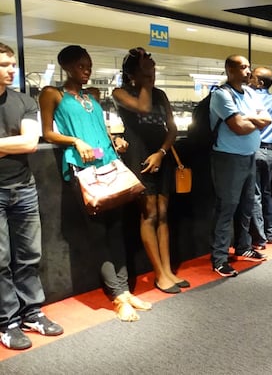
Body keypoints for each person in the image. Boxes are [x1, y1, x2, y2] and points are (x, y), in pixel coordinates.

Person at [39, 45, 151, 322]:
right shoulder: (52, 94)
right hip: (83, 172)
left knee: (117, 231)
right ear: (66, 66)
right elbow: (47, 133)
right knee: (100, 234)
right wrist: (75, 140)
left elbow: (98, 134)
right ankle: (117, 295)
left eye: (88, 65)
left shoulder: (92, 96)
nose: (86, 70)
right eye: (80, 66)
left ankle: (124, 291)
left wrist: (115, 142)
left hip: (107, 165)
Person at [0, 43, 63, 350]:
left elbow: (28, 143)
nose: (12, 69)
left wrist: (8, 144)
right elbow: (21, 140)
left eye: (12, 64)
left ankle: (31, 312)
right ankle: (7, 321)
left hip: (23, 187)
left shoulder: (23, 100)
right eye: (5, 64)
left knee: (28, 256)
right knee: (0, 259)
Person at [112, 47, 188, 294]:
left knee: (164, 214)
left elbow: (172, 128)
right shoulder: (120, 92)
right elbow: (143, 108)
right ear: (133, 73)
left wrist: (162, 152)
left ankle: (167, 271)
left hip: (160, 156)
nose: (151, 76)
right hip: (138, 158)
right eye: (146, 71)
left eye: (153, 71)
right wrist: (144, 81)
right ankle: (159, 274)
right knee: (149, 214)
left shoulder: (161, 94)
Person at [210, 55, 271, 277]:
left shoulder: (252, 93)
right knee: (227, 208)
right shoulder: (221, 95)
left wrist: (250, 119)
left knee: (247, 206)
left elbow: (267, 120)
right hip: (228, 159)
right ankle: (219, 257)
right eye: (243, 67)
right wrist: (253, 120)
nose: (248, 71)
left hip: (249, 157)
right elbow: (237, 126)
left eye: (248, 67)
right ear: (230, 70)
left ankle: (244, 246)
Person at [248, 67, 272, 247]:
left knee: (255, 194)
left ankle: (259, 237)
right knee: (267, 192)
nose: (249, 79)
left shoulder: (252, 99)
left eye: (253, 77)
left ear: (260, 82)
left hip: (255, 149)